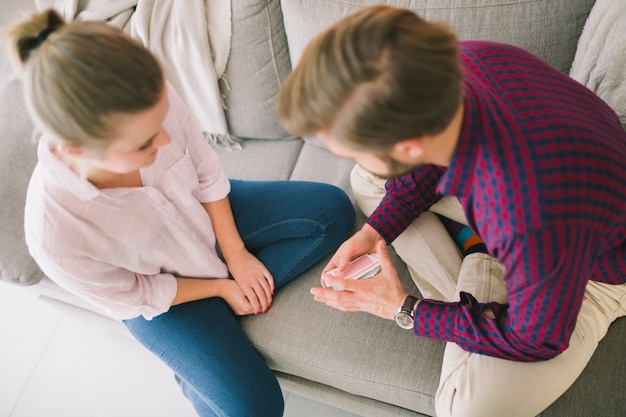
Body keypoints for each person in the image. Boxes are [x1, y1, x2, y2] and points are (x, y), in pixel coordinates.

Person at [277, 5, 626, 417]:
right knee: (367, 181)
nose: (344, 155)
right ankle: (480, 274)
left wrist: (402, 308)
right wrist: (376, 230)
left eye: (349, 149)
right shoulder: (467, 60)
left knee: (462, 409)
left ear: (407, 147)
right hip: (554, 214)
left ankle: (481, 263)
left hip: (594, 270)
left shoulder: (524, 209)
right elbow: (433, 159)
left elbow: (538, 339)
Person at [6, 9, 355, 417]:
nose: (166, 138)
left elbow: (206, 170)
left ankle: (208, 350)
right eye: (145, 143)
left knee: (332, 210)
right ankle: (204, 359)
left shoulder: (145, 92)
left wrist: (237, 254)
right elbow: (139, 294)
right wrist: (223, 288)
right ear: (76, 150)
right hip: (164, 299)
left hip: (204, 214)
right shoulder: (54, 236)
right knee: (255, 408)